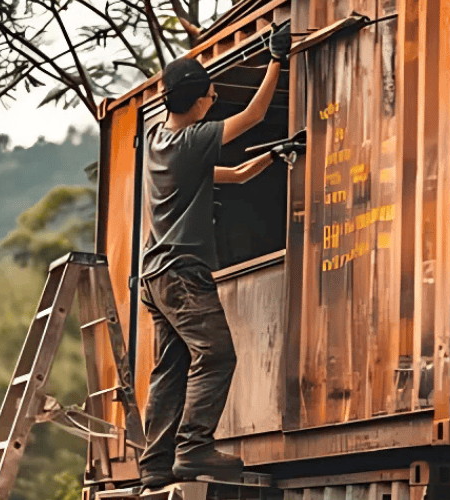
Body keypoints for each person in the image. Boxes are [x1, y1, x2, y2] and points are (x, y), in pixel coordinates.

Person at [138, 23, 295, 489]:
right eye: (209, 94)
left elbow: (239, 174)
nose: (213, 99)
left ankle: (154, 463)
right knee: (218, 355)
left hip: (154, 276)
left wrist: (274, 155)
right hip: (184, 274)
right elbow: (252, 115)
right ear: (200, 100)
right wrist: (276, 59)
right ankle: (193, 447)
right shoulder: (192, 141)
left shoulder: (157, 139)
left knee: (172, 366)